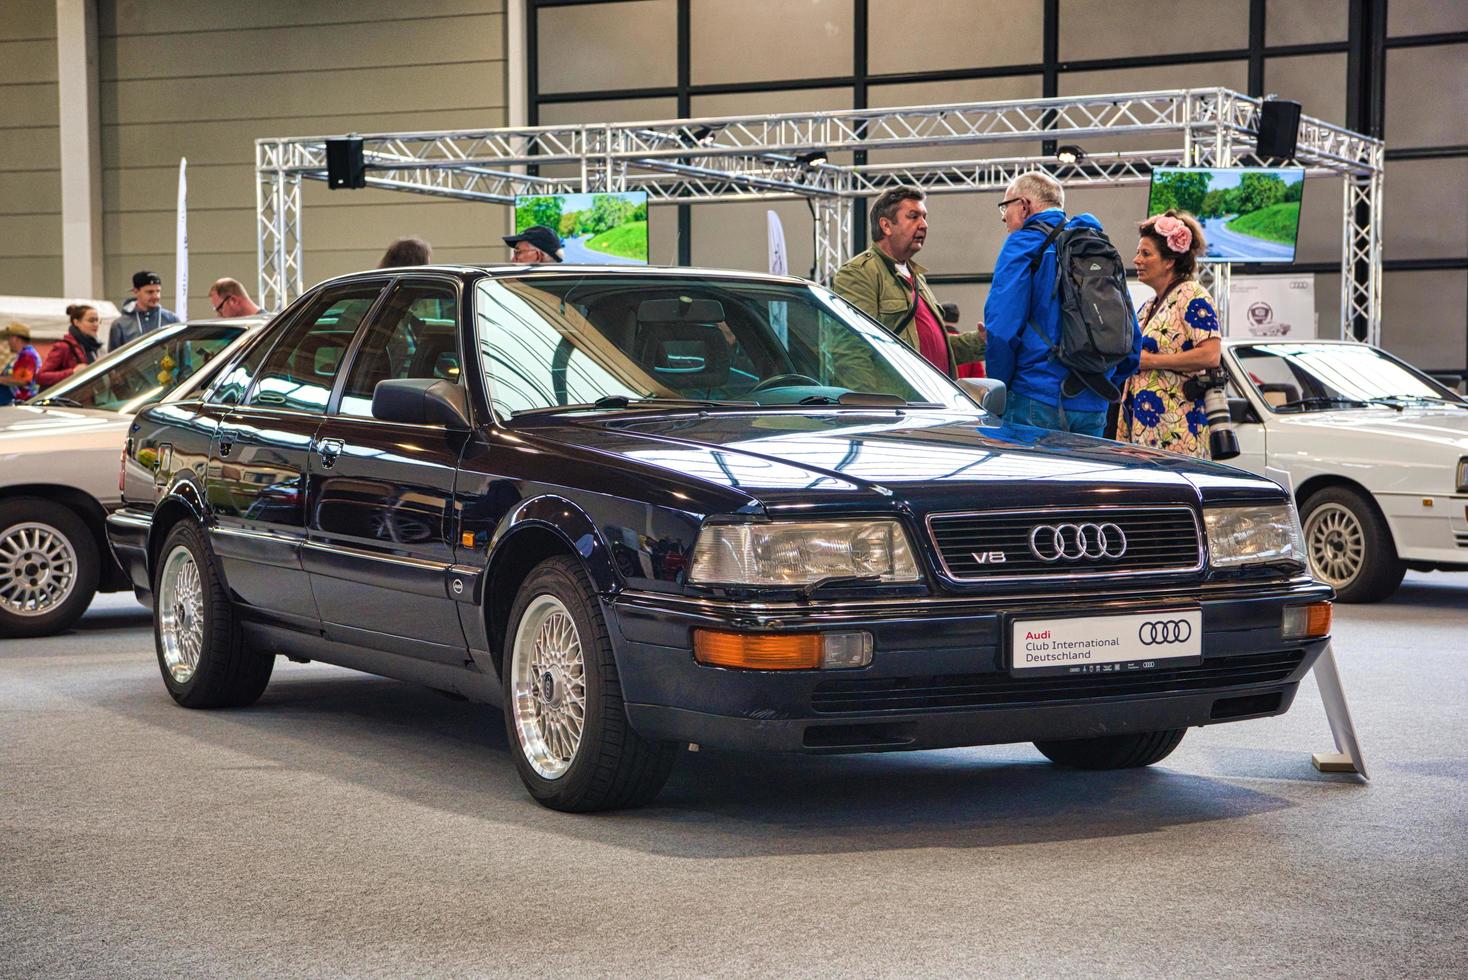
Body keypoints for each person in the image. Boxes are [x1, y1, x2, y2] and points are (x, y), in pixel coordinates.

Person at [983, 171, 1140, 436]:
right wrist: (1099, 382)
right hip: (1094, 404)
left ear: (1024, 206)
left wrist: (1000, 388)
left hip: (1034, 397)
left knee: (1028, 478)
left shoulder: (1023, 244)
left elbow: (1001, 330)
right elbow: (1131, 338)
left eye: (1005, 206)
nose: (1003, 216)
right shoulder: (1095, 245)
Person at [830, 187, 985, 391]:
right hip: (899, 410)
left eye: (924, 217)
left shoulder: (915, 276)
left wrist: (979, 341)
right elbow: (851, 350)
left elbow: (933, 348)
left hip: (933, 403)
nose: (924, 224)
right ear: (886, 225)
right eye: (913, 217)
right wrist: (866, 410)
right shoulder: (860, 273)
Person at [1119, 210, 1220, 457]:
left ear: (1169, 261)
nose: (1136, 260)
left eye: (1146, 254)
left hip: (1178, 430)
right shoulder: (1149, 306)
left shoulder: (1191, 295)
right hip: (1146, 433)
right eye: (1137, 253)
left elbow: (1211, 355)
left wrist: (1151, 361)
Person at [109, 270, 179, 352]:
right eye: (150, 292)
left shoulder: (171, 320)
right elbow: (114, 359)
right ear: (135, 291)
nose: (155, 296)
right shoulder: (120, 325)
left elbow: (183, 354)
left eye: (158, 291)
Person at [38, 304, 103, 388]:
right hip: (70, 399)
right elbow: (40, 377)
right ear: (76, 322)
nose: (96, 324)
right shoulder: (64, 347)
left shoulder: (94, 347)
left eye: (97, 320)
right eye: (91, 320)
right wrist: (72, 372)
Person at [0, 322, 43, 405]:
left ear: (15, 339)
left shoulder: (28, 356)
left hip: (19, 402)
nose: (8, 342)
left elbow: (23, 380)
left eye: (9, 338)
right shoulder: (21, 356)